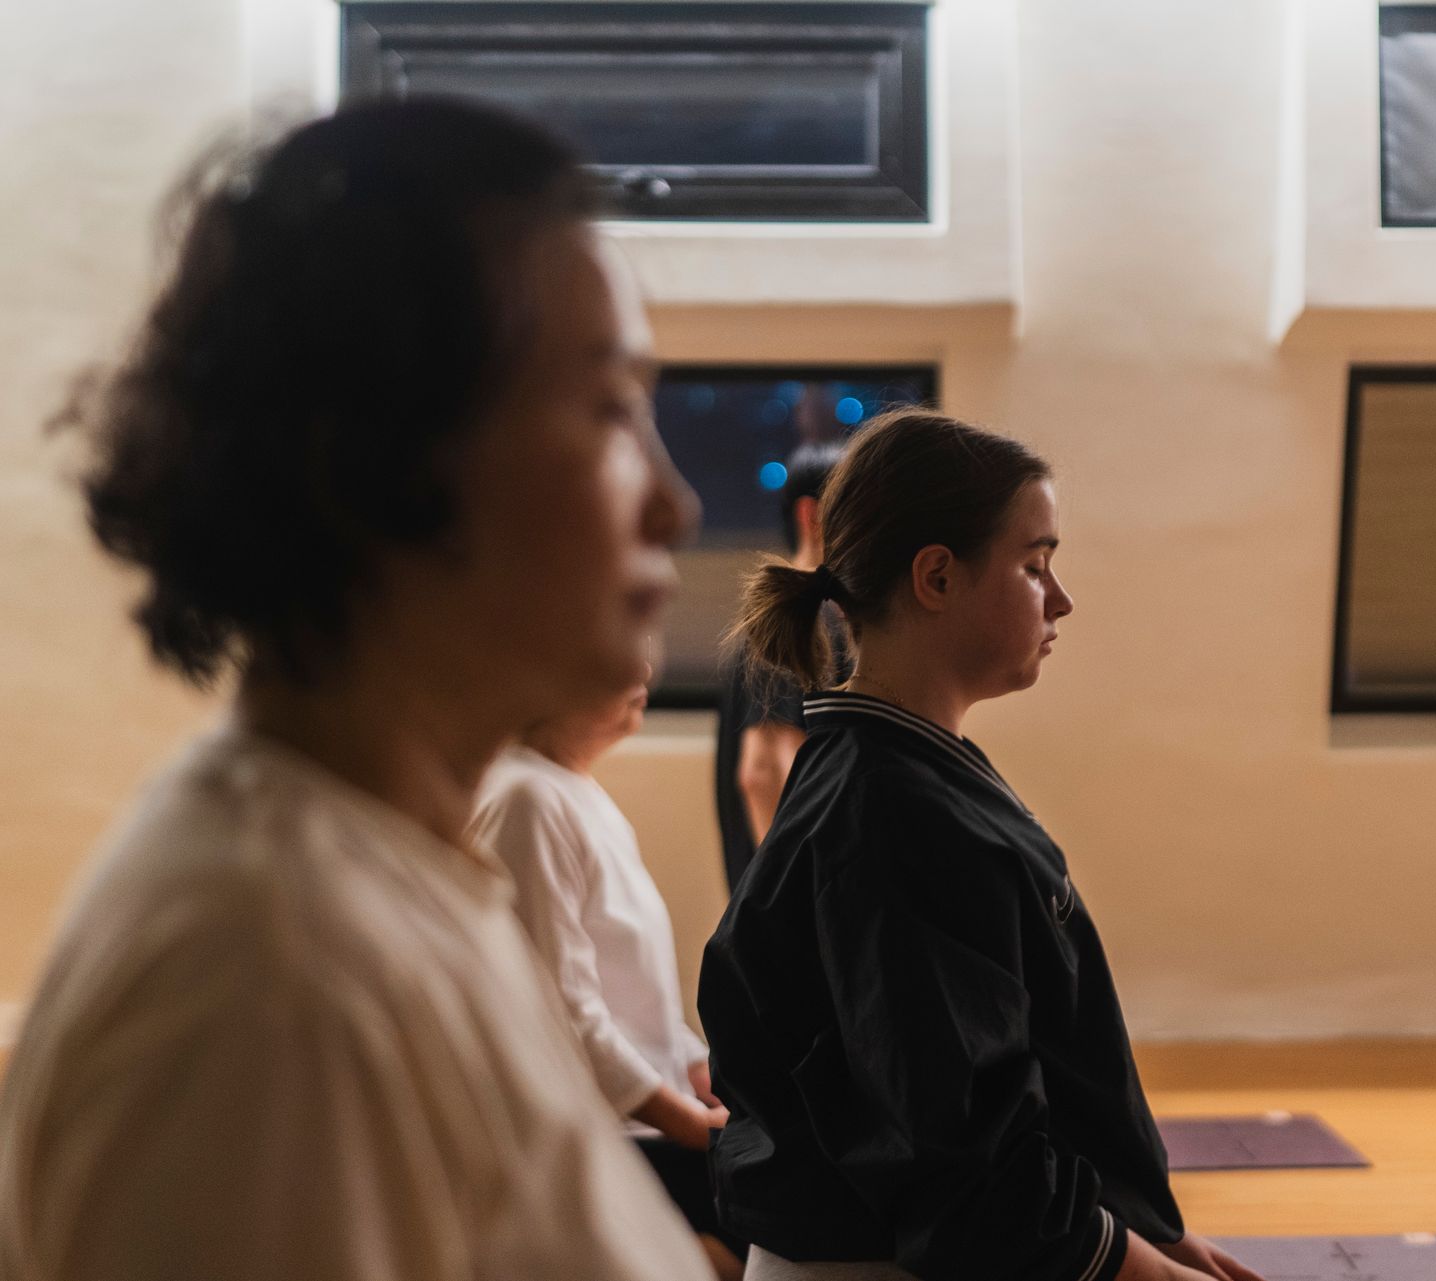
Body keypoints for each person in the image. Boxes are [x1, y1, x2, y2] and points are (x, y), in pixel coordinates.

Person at [0, 99, 714, 1280]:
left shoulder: (403, 864)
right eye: (604, 410)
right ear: (387, 459)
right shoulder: (270, 988)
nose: (673, 504)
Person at [698, 410, 1259, 1281]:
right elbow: (965, 1160)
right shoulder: (895, 813)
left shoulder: (898, 765)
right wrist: (1147, 1269)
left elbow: (1008, 1075)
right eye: (1035, 565)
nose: (1061, 597)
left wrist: (1144, 1227)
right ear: (936, 577)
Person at [472, 667, 746, 1280]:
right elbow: (559, 1015)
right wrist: (691, 1127)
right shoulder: (527, 798)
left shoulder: (576, 791)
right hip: (613, 1138)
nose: (644, 669)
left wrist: (701, 1070)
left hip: (644, 1121)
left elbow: (634, 999)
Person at [714, 441, 850, 891]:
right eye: (854, 505)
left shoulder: (823, 615)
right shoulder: (799, 616)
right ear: (811, 516)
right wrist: (796, 910)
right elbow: (765, 770)